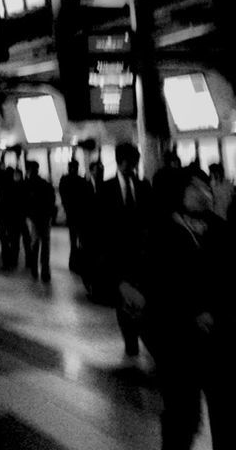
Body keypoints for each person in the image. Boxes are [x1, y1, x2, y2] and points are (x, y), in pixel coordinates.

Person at [139, 167, 234, 450]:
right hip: (178, 339)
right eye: (194, 187)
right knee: (183, 415)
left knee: (226, 414)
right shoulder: (162, 230)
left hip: (219, 336)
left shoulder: (216, 225)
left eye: (205, 186)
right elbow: (166, 278)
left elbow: (227, 269)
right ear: (177, 192)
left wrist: (220, 212)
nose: (203, 192)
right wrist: (194, 311)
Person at [99, 142, 152, 357]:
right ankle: (130, 340)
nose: (132, 169)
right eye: (129, 164)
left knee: (142, 297)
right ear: (120, 163)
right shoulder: (106, 189)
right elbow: (100, 223)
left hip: (142, 255)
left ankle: (140, 334)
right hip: (118, 254)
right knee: (123, 299)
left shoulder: (143, 187)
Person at [22, 160, 56, 283]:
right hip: (45, 219)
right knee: (45, 246)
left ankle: (34, 269)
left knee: (34, 245)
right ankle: (45, 271)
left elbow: (24, 203)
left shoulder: (26, 185)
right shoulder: (45, 184)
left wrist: (27, 217)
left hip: (33, 219)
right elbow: (52, 201)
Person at [58, 159, 91, 274]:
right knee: (82, 240)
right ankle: (81, 263)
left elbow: (63, 196)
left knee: (73, 240)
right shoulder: (82, 181)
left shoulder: (65, 180)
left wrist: (67, 208)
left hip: (71, 214)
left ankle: (73, 262)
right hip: (81, 215)